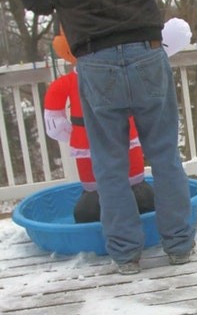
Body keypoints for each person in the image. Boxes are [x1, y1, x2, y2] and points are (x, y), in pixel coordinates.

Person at [15, 0, 195, 274]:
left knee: (109, 164)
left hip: (94, 59)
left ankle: (126, 255)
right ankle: (179, 246)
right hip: (147, 49)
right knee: (165, 155)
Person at [46, 27, 154, 223]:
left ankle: (133, 206)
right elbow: (54, 120)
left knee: (134, 185)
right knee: (95, 191)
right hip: (89, 138)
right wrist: (72, 133)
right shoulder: (67, 83)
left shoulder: (122, 72)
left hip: (117, 133)